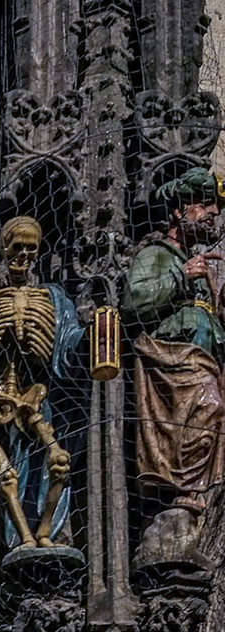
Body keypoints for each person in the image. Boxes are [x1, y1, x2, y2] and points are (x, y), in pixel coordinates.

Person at [0, 216, 86, 551]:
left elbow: (69, 340)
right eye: (17, 247)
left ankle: (44, 531)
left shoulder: (53, 298)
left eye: (31, 249)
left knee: (57, 461)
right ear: (4, 249)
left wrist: (93, 338)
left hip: (36, 394)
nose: (24, 256)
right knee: (8, 468)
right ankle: (22, 538)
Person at [122, 166, 225, 546]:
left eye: (215, 207)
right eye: (203, 204)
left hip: (202, 362)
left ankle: (191, 493)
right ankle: (177, 494)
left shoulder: (198, 265)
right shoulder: (157, 254)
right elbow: (133, 303)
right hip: (171, 365)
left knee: (211, 412)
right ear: (179, 211)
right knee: (209, 406)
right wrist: (183, 275)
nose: (213, 213)